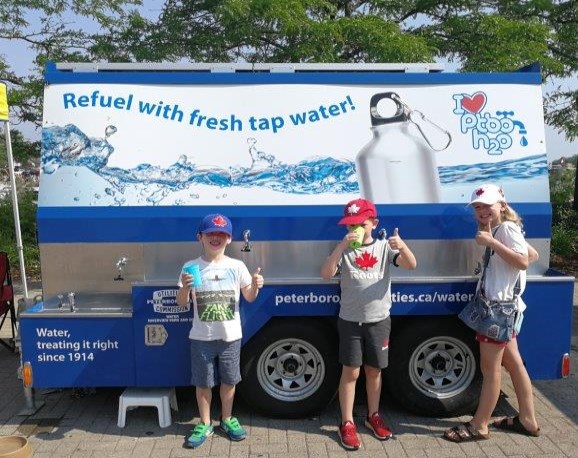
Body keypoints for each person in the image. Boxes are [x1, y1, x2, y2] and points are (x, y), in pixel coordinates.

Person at [443, 184, 541, 443]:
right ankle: (527, 419)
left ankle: (480, 425)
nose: (482, 210)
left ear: (502, 205)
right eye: (477, 207)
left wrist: (491, 242)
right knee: (514, 363)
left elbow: (522, 261)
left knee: (491, 371)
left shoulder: (505, 229)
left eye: (487, 205)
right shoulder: (506, 229)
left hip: (497, 310)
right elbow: (532, 254)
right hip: (506, 308)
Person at [320, 198, 417, 450]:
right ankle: (347, 422)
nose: (355, 230)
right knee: (351, 372)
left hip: (379, 321)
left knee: (374, 371)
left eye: (360, 224)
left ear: (374, 223)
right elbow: (326, 273)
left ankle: (373, 415)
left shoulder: (384, 248)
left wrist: (403, 247)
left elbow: (410, 265)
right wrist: (341, 246)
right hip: (350, 321)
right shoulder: (344, 249)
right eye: (350, 226)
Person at [176, 213, 264, 449]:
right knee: (203, 383)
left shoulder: (237, 266)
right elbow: (182, 303)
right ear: (200, 237)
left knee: (229, 380)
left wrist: (255, 286)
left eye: (221, 234)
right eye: (210, 234)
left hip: (230, 337)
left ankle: (227, 419)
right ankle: (205, 423)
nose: (215, 238)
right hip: (200, 337)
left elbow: (249, 297)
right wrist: (184, 288)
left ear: (229, 239)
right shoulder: (190, 267)